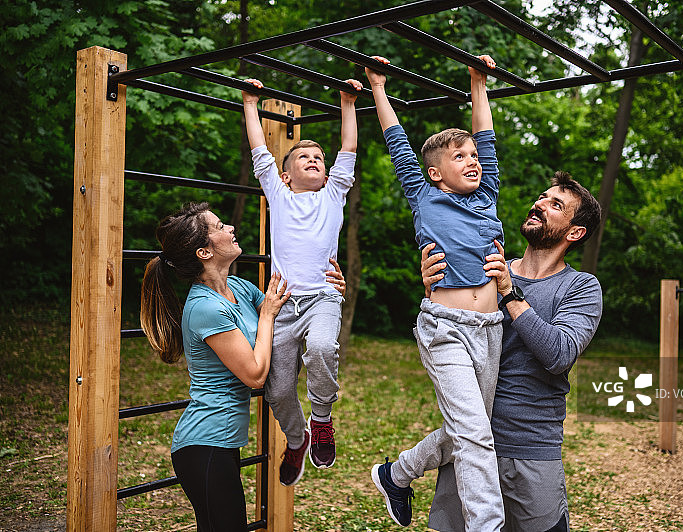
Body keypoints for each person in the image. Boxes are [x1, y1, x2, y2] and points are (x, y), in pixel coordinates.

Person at [365, 55, 506, 531]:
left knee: (470, 429)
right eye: (459, 157)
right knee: (476, 437)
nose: (472, 161)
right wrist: (378, 87)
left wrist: (478, 83)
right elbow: (397, 142)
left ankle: (397, 474)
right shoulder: (423, 195)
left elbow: (486, 135)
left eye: (474, 156)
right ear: (435, 173)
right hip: (445, 329)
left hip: (490, 329)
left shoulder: (486, 196)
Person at [422, 171, 603, 532]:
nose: (540, 204)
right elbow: (446, 335)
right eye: (542, 196)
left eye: (556, 204)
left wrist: (509, 292)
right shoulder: (484, 269)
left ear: (575, 232)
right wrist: (433, 290)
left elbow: (559, 354)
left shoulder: (580, 287)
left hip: (531, 448)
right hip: (470, 443)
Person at [139, 202, 291, 531]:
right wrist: (266, 315)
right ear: (204, 253)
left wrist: (329, 292)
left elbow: (288, 315)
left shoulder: (239, 288)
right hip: (204, 446)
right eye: (220, 227)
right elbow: (255, 374)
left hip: (222, 443)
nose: (231, 228)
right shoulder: (205, 308)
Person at [241, 76, 361, 485]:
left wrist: (348, 103)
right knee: (276, 391)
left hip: (323, 296)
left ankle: (321, 418)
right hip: (282, 303)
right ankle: (297, 439)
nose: (314, 160)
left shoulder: (333, 195)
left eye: (319, 158)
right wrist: (250, 103)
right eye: (303, 156)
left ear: (327, 175)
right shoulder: (278, 195)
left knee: (324, 347)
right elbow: (260, 153)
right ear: (286, 175)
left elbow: (349, 149)